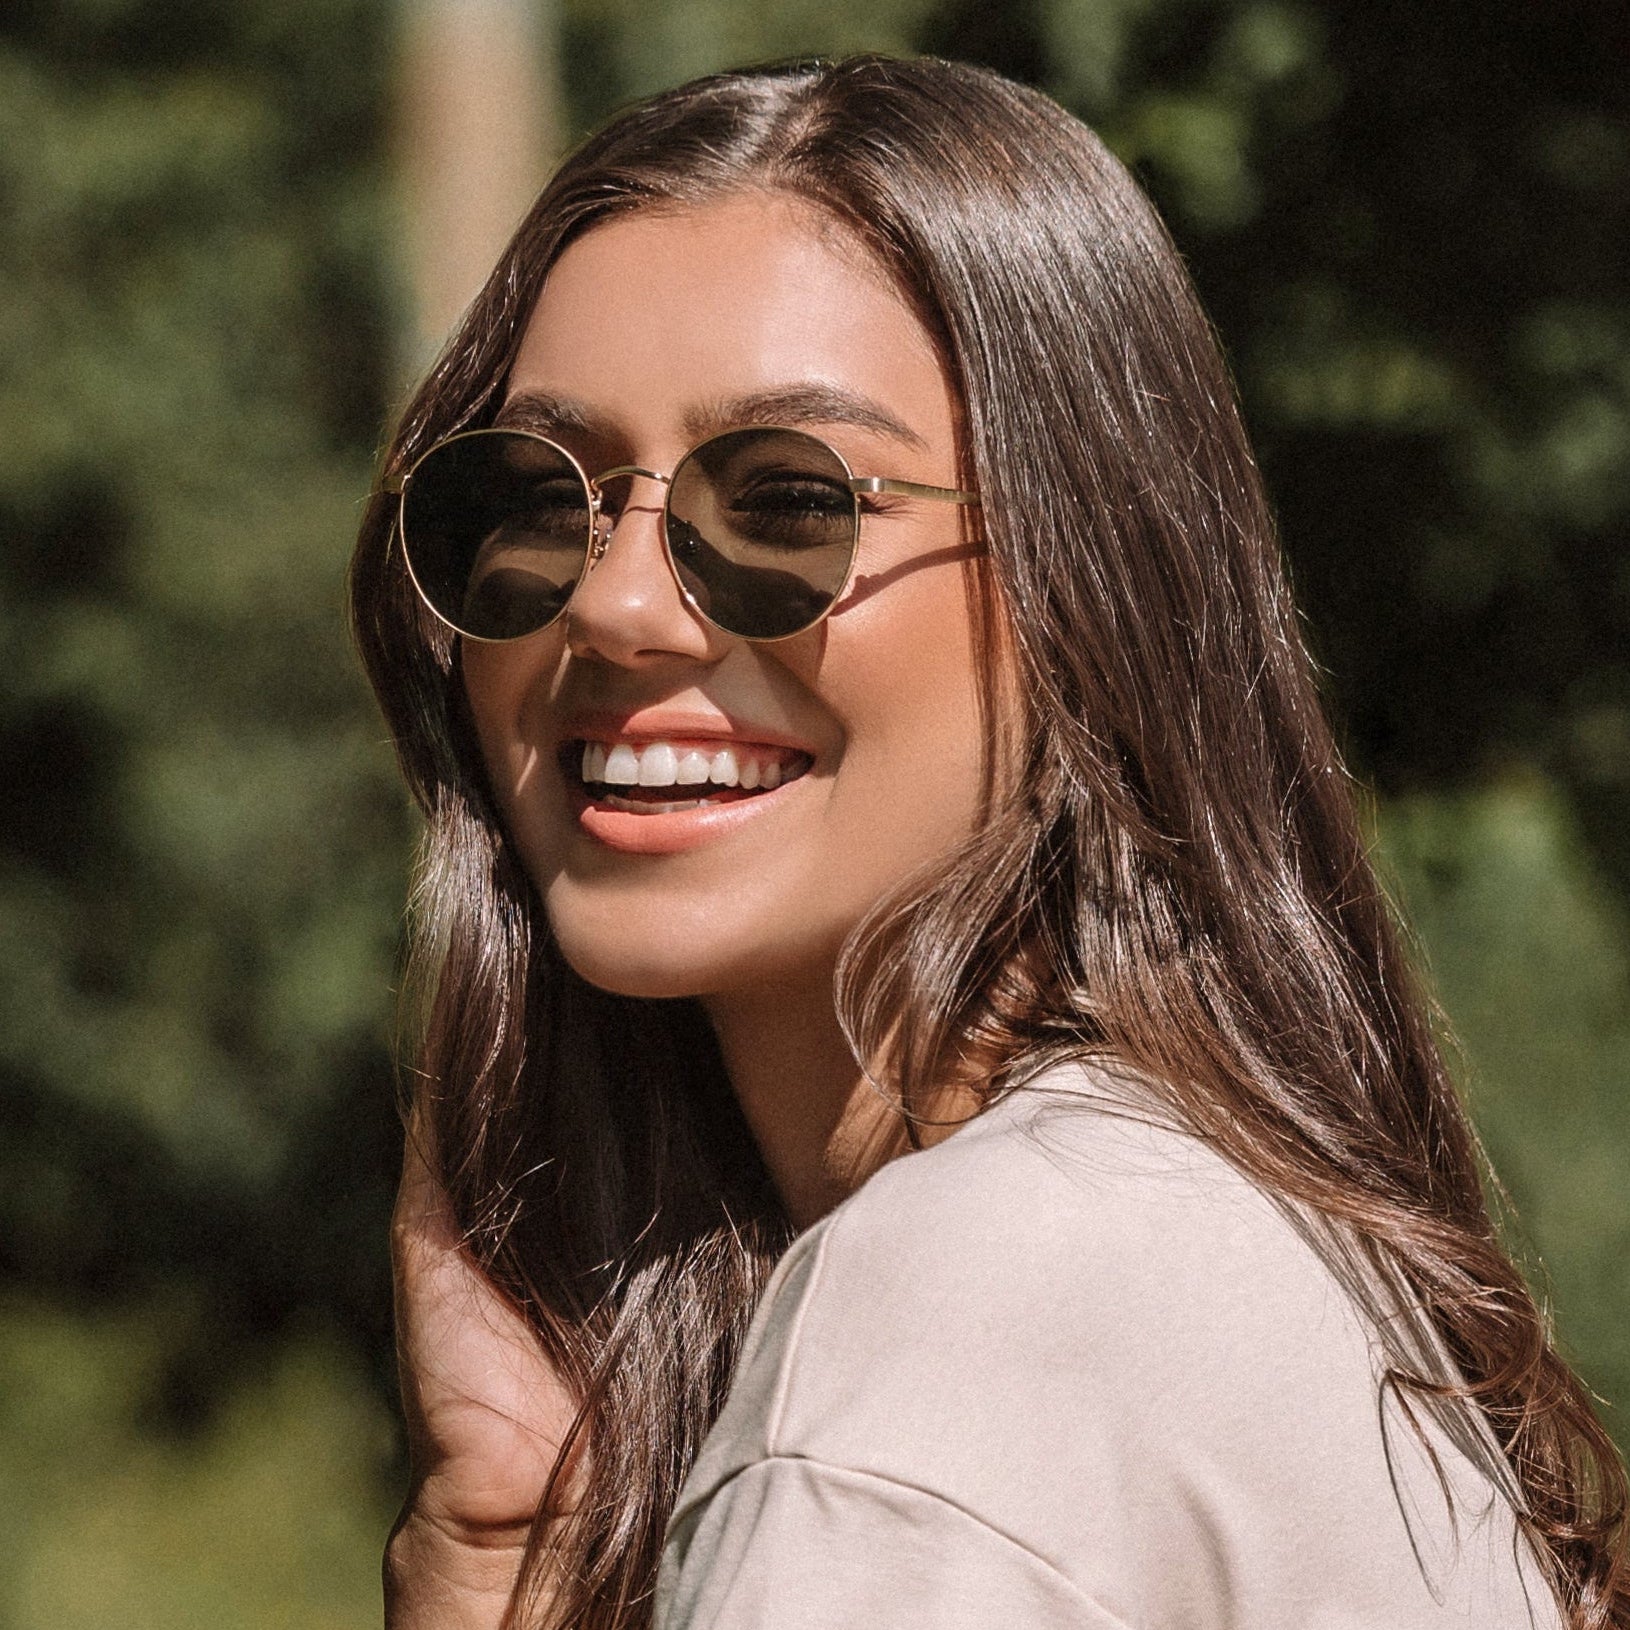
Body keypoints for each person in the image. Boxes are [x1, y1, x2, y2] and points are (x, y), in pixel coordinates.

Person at [349, 55, 1628, 1630]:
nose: (612, 603)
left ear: (1085, 581)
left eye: (784, 502)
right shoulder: (1182, 1236)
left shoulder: (952, 1332)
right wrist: (502, 1541)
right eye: (539, 497)